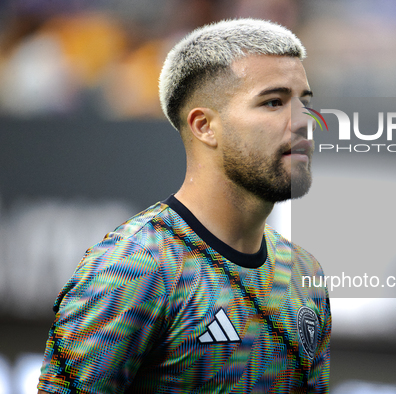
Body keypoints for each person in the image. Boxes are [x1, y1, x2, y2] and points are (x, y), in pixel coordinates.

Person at [37, 18, 330, 393]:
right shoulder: (134, 266)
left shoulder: (304, 273)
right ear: (204, 126)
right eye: (273, 102)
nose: (304, 122)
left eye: (303, 103)